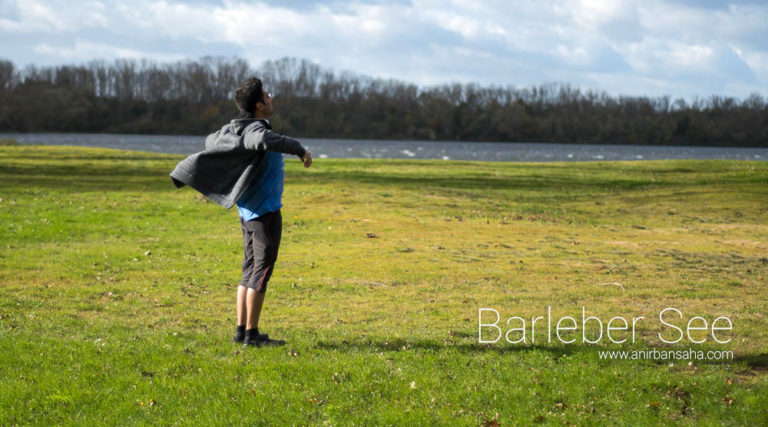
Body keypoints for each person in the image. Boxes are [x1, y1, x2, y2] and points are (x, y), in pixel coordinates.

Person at [170, 77, 312, 347]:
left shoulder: (235, 128)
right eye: (266, 95)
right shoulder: (255, 129)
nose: (270, 97)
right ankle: (252, 335)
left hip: (248, 211)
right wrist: (298, 148)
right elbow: (261, 139)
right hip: (264, 213)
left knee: (249, 271)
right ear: (258, 105)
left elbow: (212, 139)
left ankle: (242, 332)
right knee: (261, 272)